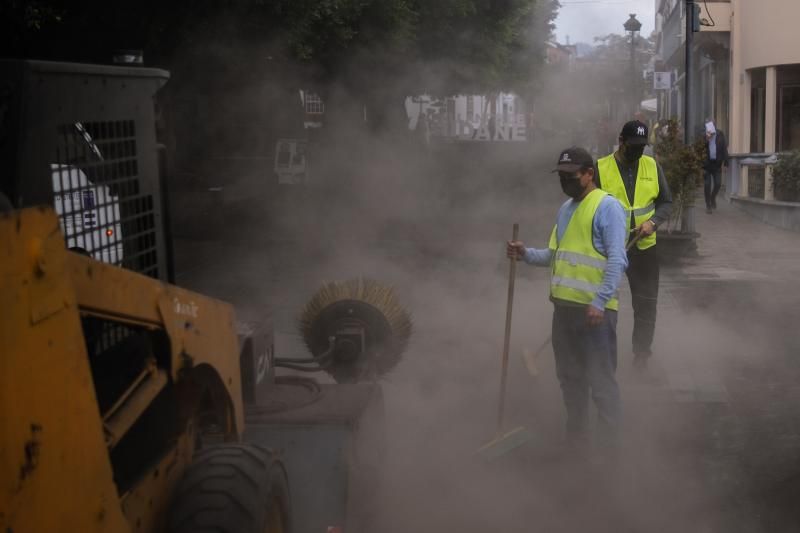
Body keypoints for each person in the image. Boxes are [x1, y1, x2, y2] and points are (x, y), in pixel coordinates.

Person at [507, 146, 628, 450]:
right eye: (561, 176)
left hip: (595, 314)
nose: (566, 182)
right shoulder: (565, 209)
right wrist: (525, 255)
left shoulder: (607, 207)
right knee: (571, 382)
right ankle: (577, 445)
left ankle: (610, 453)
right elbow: (554, 255)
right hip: (564, 313)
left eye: (571, 176)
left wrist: (600, 301)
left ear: (589, 174)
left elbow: (617, 259)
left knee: (601, 385)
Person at [595, 120, 672, 371]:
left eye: (643, 146)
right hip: (610, 249)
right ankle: (604, 353)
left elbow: (666, 203)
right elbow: (590, 207)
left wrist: (653, 222)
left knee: (646, 302)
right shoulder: (601, 168)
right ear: (621, 141)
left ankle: (641, 354)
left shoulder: (652, 166)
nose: (639, 151)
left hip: (644, 248)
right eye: (634, 146)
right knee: (605, 301)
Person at [702, 119, 728, 214]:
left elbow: (724, 148)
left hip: (717, 164)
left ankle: (712, 198)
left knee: (718, 184)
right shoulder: (704, 136)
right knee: (707, 185)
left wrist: (726, 163)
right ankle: (708, 205)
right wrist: (707, 140)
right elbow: (700, 148)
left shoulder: (720, 135)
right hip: (706, 165)